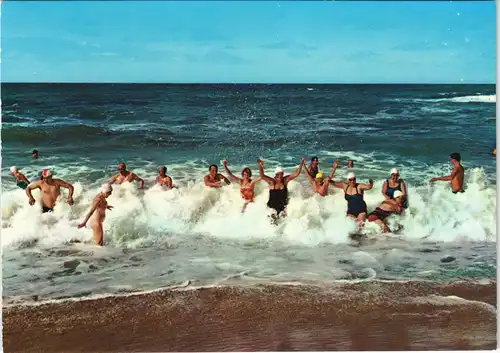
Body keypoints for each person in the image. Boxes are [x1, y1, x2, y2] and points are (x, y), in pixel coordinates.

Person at [257, 158, 305, 222]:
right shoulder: (271, 182)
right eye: (278, 175)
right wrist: (260, 166)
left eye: (281, 174)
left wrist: (301, 163)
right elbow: (262, 175)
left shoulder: (285, 180)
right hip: (272, 206)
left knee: (283, 218)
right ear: (275, 175)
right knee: (273, 216)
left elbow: (296, 174)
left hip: (283, 206)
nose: (280, 176)